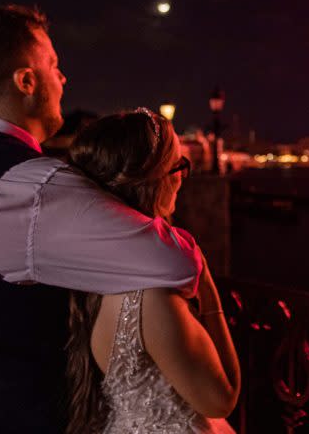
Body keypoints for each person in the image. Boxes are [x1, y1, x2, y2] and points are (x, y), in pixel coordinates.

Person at [0, 6, 202, 434]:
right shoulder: (31, 187)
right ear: (26, 81)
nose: (63, 78)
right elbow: (175, 262)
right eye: (54, 65)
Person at [65, 110, 239, 434]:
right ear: (150, 184)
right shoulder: (152, 296)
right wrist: (209, 291)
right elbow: (222, 398)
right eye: (179, 166)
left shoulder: (101, 271)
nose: (184, 177)